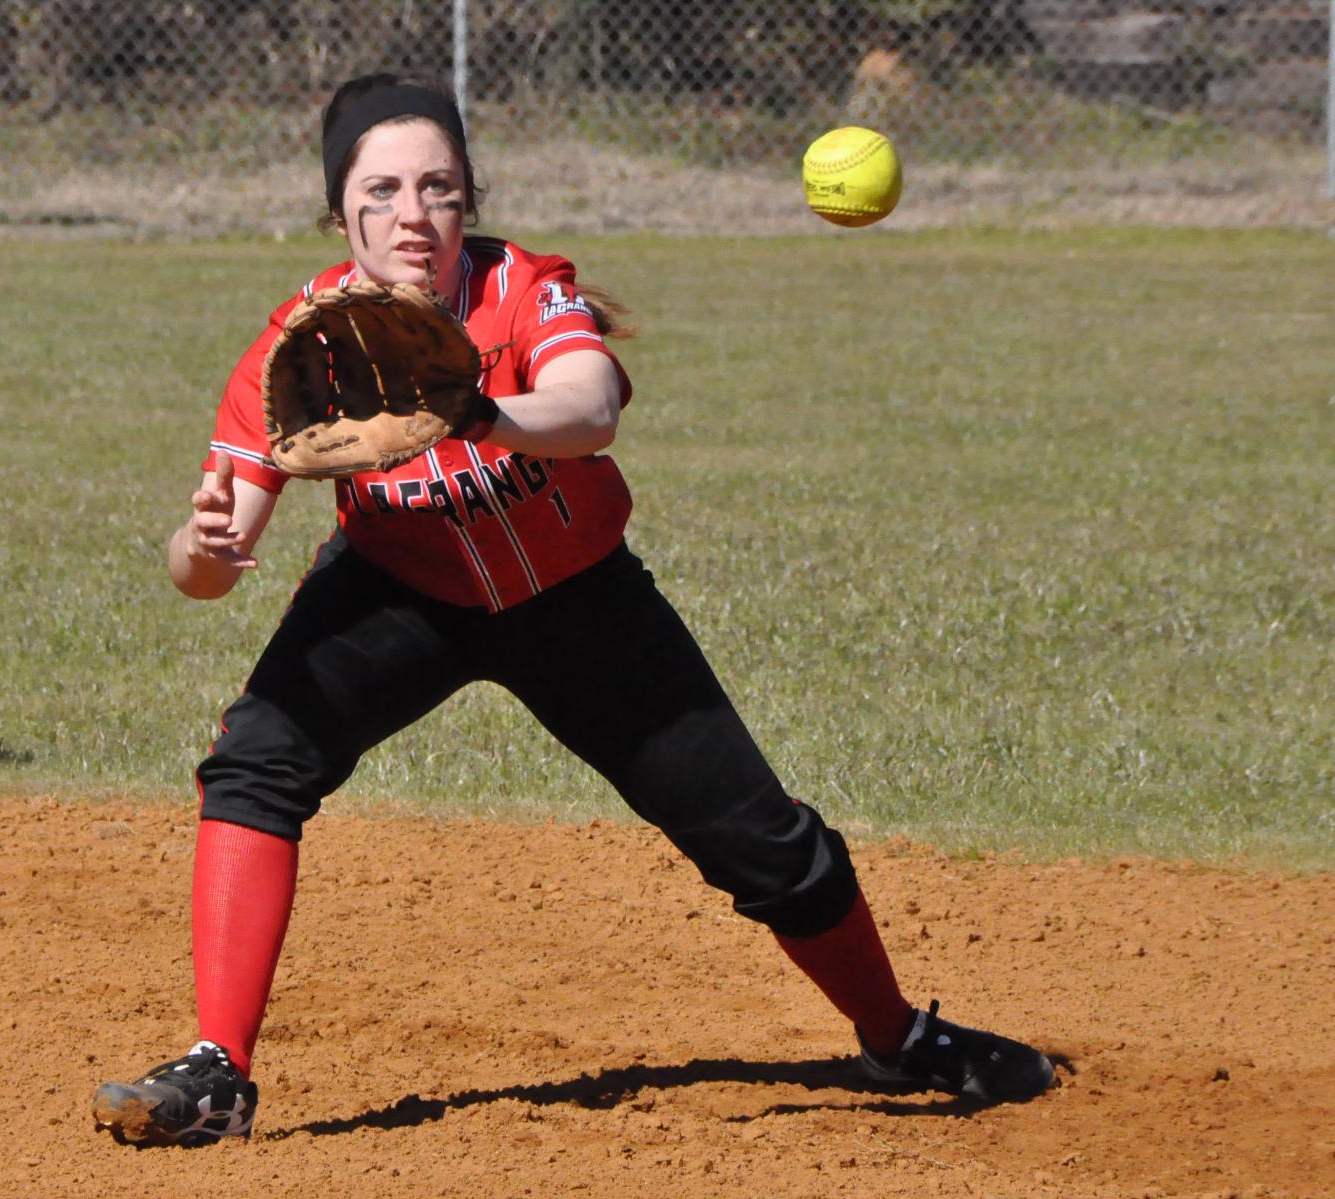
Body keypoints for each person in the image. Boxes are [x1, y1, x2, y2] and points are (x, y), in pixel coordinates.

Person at [90, 72, 1053, 1148]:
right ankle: (218, 1072)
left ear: (468, 198)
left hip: (576, 596)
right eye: (382, 190)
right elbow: (204, 569)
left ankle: (895, 1035)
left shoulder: (519, 288)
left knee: (760, 839)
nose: (414, 214)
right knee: (256, 757)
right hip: (399, 586)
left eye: (439, 187)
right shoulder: (302, 344)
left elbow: (589, 410)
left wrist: (475, 408)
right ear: (338, 210)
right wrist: (204, 543)